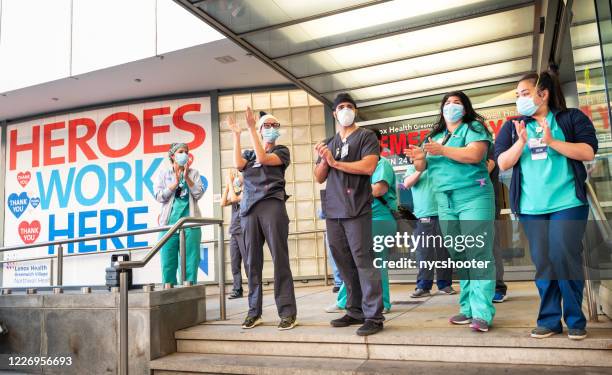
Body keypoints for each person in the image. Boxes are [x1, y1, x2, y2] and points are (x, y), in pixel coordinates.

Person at [495, 68, 597, 340]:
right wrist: (520, 143)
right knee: (544, 262)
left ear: (544, 94)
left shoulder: (571, 118)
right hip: (530, 207)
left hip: (567, 202)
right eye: (517, 95)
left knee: (564, 256)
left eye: (525, 93)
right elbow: (503, 162)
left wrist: (553, 141)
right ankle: (549, 320)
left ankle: (575, 320)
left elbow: (587, 151)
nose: (520, 99)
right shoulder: (513, 126)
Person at [405, 91, 496, 332]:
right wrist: (418, 158)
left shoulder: (473, 128)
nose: (451, 106)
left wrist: (441, 151)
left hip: (473, 195)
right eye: (447, 103)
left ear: (465, 109)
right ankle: (467, 308)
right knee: (458, 253)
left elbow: (476, 154)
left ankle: (482, 312)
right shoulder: (435, 136)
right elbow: (422, 166)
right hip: (444, 200)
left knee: (477, 252)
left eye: (457, 103)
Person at [314, 93, 384, 336]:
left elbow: (368, 166)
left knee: (363, 260)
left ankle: (374, 315)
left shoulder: (366, 136)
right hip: (333, 209)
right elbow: (319, 177)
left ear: (355, 111)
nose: (345, 110)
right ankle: (355, 310)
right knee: (343, 261)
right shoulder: (328, 142)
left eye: (349, 107)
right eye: (341, 107)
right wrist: (325, 160)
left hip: (356, 207)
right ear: (334, 113)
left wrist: (335, 163)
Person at [228, 108, 298, 330]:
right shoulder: (249, 154)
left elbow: (263, 158)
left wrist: (251, 128)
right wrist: (237, 135)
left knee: (280, 258)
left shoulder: (282, 151)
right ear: (259, 130)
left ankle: (287, 312)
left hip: (272, 205)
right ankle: (254, 312)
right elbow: (239, 164)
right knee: (252, 263)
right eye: (265, 126)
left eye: (274, 126)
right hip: (248, 210)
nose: (270, 129)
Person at [328, 129, 394, 314]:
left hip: (379, 218)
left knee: (375, 263)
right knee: (353, 262)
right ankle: (346, 301)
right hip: (359, 217)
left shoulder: (382, 164)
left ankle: (383, 303)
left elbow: (379, 189)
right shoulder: (353, 164)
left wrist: (353, 194)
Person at [402, 160, 455, 298]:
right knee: (424, 252)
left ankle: (445, 284)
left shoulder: (440, 165)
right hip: (423, 215)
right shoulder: (412, 168)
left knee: (444, 251)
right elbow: (407, 184)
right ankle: (423, 286)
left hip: (444, 213)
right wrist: (420, 169)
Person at [155, 143, 205, 285]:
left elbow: (199, 194)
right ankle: (170, 298)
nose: (185, 154)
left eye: (186, 152)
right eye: (181, 151)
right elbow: (159, 196)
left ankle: (188, 297)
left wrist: (186, 177)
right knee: (167, 263)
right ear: (173, 156)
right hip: (168, 225)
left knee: (190, 264)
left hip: (190, 225)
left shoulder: (194, 173)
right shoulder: (163, 174)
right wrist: (174, 184)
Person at [220, 169, 247, 299]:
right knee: (234, 262)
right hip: (234, 231)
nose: (238, 176)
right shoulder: (235, 189)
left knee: (248, 262)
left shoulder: (248, 189)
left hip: (244, 231)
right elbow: (223, 202)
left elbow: (236, 198)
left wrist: (231, 183)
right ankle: (237, 289)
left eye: (239, 174)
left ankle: (254, 287)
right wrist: (228, 185)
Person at [487, 152, 508, 303]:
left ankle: (498, 287)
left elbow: (487, 167)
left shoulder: (486, 144)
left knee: (492, 246)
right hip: (463, 203)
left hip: (486, 201)